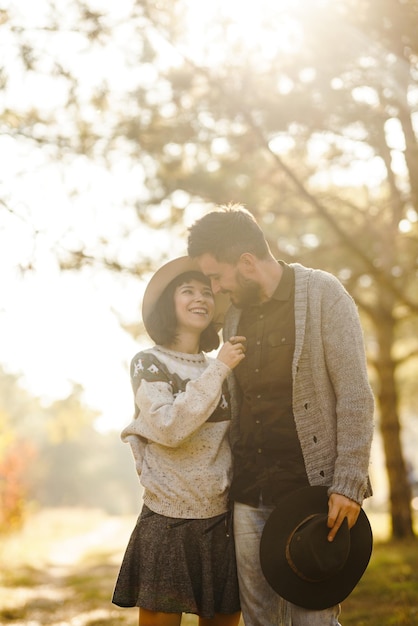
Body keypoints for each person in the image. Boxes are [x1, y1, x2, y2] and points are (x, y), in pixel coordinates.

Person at [187, 205, 375, 626]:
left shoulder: (325, 294)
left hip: (313, 493)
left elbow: (356, 396)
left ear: (248, 263)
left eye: (217, 277)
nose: (213, 288)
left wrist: (348, 482)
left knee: (313, 619)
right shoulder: (235, 312)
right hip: (249, 494)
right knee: (258, 620)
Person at [112, 256, 246, 626]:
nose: (201, 297)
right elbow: (169, 427)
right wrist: (219, 369)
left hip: (222, 522)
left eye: (207, 291)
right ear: (168, 304)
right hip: (167, 520)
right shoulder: (148, 363)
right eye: (188, 290)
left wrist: (220, 368)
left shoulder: (223, 365)